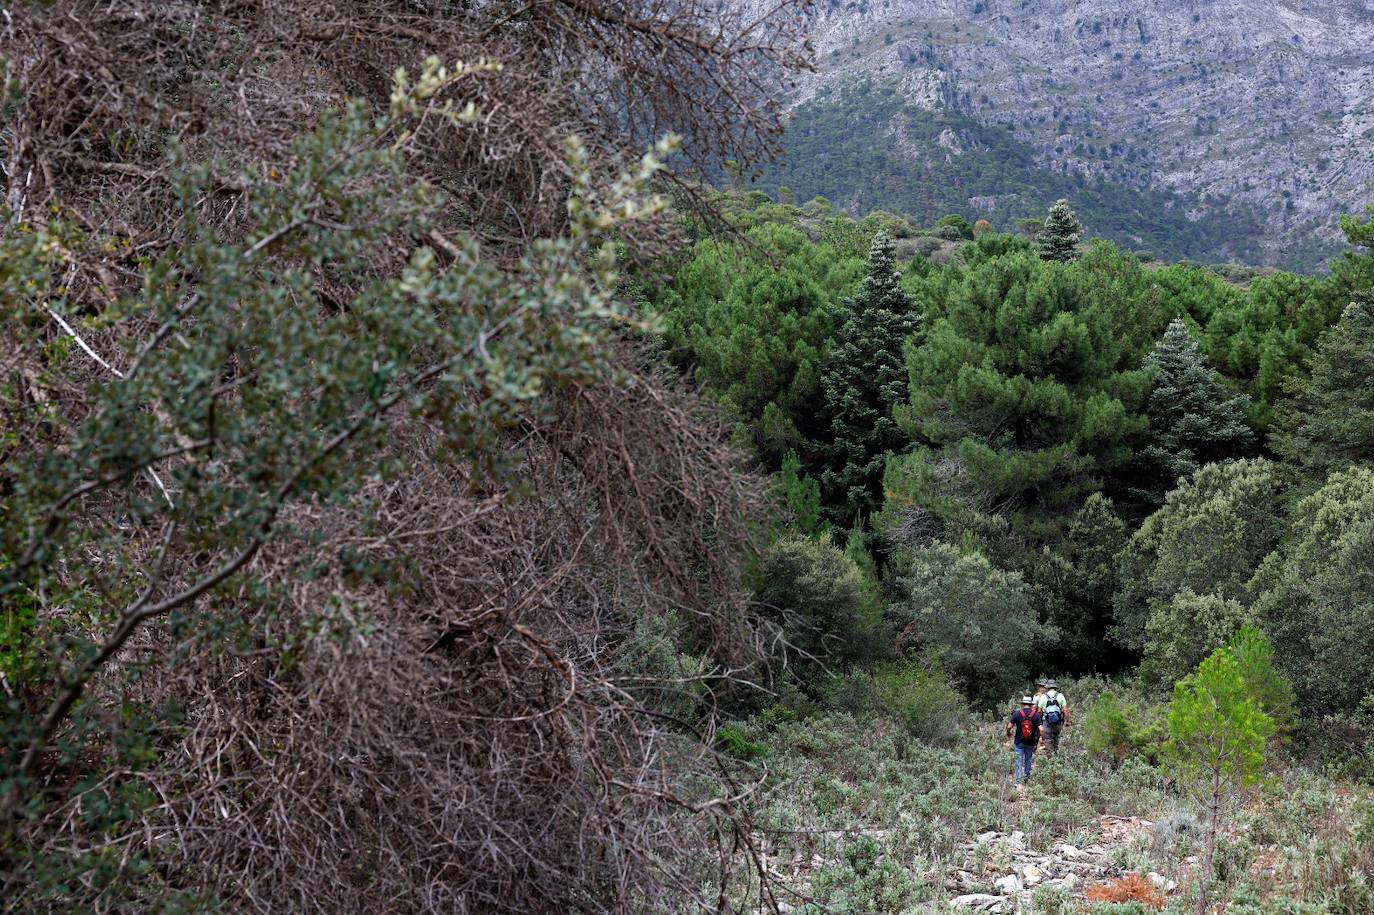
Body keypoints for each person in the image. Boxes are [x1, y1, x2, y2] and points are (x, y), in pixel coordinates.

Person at [1006, 696, 1042, 785]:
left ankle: (1018, 781)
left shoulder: (1017, 714)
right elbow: (1041, 729)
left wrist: (1008, 733)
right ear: (1030, 705)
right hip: (1031, 741)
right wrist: (1041, 738)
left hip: (1019, 741)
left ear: (1022, 704)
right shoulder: (1035, 715)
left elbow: (1009, 726)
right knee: (1028, 758)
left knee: (1018, 760)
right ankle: (1026, 778)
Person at [1035, 678, 1069, 754]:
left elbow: (1039, 711)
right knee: (1057, 736)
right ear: (1055, 687)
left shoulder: (1043, 696)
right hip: (1058, 721)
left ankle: (1050, 755)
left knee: (1047, 738)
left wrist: (1039, 721)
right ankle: (1057, 752)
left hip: (1046, 721)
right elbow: (1065, 710)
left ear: (1047, 687)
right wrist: (1067, 721)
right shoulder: (1060, 696)